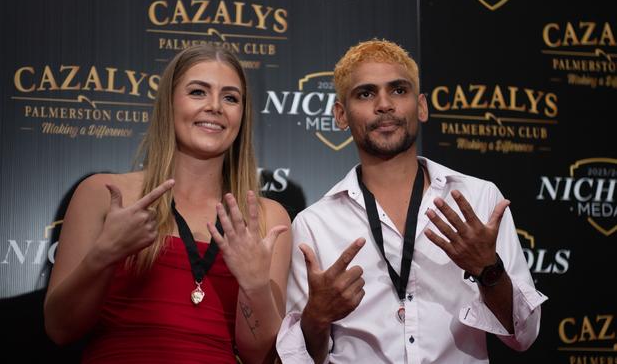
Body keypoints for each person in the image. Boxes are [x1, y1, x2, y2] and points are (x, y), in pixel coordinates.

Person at [276, 39, 547, 363]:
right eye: (366, 94)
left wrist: (488, 270)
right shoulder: (315, 224)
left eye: (398, 90)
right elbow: (301, 359)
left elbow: (524, 335)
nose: (385, 104)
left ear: (421, 106)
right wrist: (316, 318)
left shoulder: (479, 198)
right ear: (340, 115)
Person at [44, 45, 292, 364]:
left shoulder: (267, 217)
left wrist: (256, 285)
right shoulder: (103, 193)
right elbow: (60, 329)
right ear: (169, 103)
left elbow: (261, 356)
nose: (215, 106)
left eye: (230, 97)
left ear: (242, 116)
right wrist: (103, 256)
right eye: (198, 92)